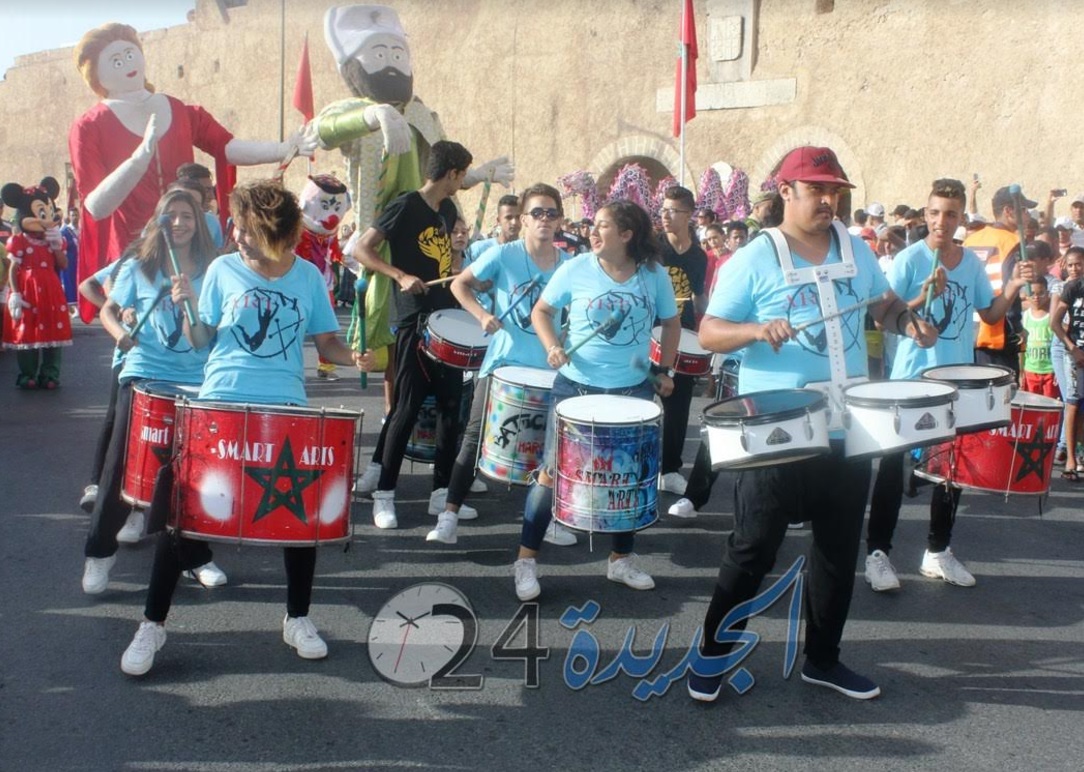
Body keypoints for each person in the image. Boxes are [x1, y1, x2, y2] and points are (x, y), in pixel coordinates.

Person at [686, 146, 937, 703]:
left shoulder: (854, 246)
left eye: (836, 192)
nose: (829, 201)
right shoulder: (755, 256)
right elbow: (708, 332)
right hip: (776, 429)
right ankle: (710, 654)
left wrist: (908, 322)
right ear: (787, 193)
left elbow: (882, 305)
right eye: (818, 190)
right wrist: (755, 331)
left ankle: (823, 659)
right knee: (752, 549)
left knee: (837, 549)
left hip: (846, 427)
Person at [119, 180, 369, 676]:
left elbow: (326, 344)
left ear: (271, 232)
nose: (237, 235)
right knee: (182, 517)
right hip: (221, 403)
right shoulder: (222, 270)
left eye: (246, 229)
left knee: (299, 520)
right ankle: (152, 624)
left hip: (285, 408)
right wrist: (188, 304)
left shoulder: (308, 277)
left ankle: (297, 618)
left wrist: (358, 357)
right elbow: (200, 341)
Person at [69, 22, 313, 323]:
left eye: (131, 54)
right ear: (96, 74)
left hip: (193, 237)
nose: (127, 65)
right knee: (146, 328)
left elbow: (227, 147)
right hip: (139, 247)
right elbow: (96, 204)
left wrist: (285, 148)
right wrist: (141, 155)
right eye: (115, 61)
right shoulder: (88, 126)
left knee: (198, 319)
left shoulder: (179, 109)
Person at [864, 178, 1032, 593]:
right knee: (891, 467)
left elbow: (990, 315)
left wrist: (1011, 287)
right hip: (908, 381)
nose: (942, 221)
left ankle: (937, 551)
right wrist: (921, 299)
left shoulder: (972, 264)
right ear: (925, 214)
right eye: (935, 212)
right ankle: (878, 554)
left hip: (955, 381)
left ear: (960, 218)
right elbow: (883, 316)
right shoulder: (908, 260)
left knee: (951, 469)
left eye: (951, 214)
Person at [512, 199, 680, 601]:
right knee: (552, 473)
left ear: (626, 234)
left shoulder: (653, 275)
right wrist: (552, 346)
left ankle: (620, 560)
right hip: (576, 387)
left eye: (602, 225)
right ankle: (525, 561)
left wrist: (665, 371)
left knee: (627, 475)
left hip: (633, 391)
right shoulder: (575, 268)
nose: (592, 230)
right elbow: (542, 311)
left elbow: (672, 323)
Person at [81, 188, 225, 595]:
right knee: (120, 465)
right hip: (144, 373)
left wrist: (192, 304)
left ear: (198, 224)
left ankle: (196, 556)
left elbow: (204, 336)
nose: (179, 223)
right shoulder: (139, 265)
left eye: (187, 216)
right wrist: (120, 333)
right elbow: (107, 309)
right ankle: (99, 552)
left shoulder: (213, 270)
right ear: (159, 222)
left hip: (196, 381)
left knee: (192, 476)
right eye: (171, 216)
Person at [429, 183, 574, 545]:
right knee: (474, 438)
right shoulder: (504, 255)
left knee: (550, 450)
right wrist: (481, 315)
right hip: (503, 363)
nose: (544, 219)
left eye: (551, 213)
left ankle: (548, 519)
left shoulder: (570, 266)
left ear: (559, 220)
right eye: (536, 213)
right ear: (523, 219)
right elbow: (460, 285)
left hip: (549, 368)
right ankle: (448, 515)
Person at [353, 141, 474, 529]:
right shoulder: (406, 206)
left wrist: (459, 259)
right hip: (414, 323)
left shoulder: (449, 210)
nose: (464, 181)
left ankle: (440, 495)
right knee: (405, 408)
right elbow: (361, 249)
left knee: (450, 410)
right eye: (463, 174)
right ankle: (384, 494)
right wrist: (400, 275)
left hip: (446, 319)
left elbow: (447, 264)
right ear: (452, 173)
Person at [657, 185, 707, 496]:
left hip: (683, 338)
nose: (665, 215)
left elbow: (698, 297)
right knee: (639, 404)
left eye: (673, 210)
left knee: (678, 408)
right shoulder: (650, 247)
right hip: (647, 336)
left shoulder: (699, 256)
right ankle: (635, 468)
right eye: (663, 209)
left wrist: (710, 330)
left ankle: (670, 470)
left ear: (688, 216)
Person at [965, 185, 1038, 374]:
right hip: (997, 334)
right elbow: (1009, 289)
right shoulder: (1012, 243)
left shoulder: (971, 240)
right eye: (1023, 209)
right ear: (1008, 211)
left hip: (967, 334)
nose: (1028, 214)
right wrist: (1017, 328)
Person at [1049, 246, 1084, 479]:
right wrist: (1073, 349)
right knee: (1072, 402)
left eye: (1079, 263)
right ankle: (1070, 458)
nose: (1076, 268)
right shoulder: (1071, 287)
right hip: (1074, 352)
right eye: (1071, 264)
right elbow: (1054, 322)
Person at [1020, 279, 1058, 398]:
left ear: (1047, 294)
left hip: (1049, 372)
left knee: (1050, 407)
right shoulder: (1025, 317)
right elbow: (1022, 348)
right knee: (1032, 406)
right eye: (1032, 294)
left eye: (1040, 293)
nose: (1036, 297)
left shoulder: (1052, 318)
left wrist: (1057, 371)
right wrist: (1021, 372)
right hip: (1030, 371)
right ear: (1026, 295)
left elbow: (1057, 346)